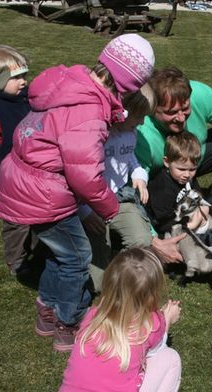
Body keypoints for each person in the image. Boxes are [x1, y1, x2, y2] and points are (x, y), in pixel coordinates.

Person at [0, 34, 155, 352]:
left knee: (62, 253)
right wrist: (106, 209)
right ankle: (69, 322)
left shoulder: (72, 81)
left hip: (24, 180)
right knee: (78, 258)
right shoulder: (90, 113)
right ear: (129, 84)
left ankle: (47, 308)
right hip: (44, 192)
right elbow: (86, 176)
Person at [135, 66, 212, 226]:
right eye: (172, 112)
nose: (181, 118)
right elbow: (135, 189)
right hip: (159, 175)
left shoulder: (201, 94)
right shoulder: (142, 134)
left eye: (185, 108)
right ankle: (168, 219)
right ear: (153, 108)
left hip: (194, 159)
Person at [60, 248, 182, 392]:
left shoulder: (94, 314)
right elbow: (157, 350)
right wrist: (166, 320)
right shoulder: (152, 323)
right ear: (152, 293)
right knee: (170, 357)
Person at [80, 84, 163, 293]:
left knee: (142, 240)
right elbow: (79, 175)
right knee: (97, 272)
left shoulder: (130, 132)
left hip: (119, 197)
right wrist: (85, 211)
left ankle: (123, 279)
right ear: (122, 112)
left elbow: (129, 156)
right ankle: (99, 283)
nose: (143, 122)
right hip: (93, 202)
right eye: (139, 117)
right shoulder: (100, 134)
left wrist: (138, 174)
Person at [0, 44, 36, 277]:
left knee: (36, 214)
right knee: (16, 223)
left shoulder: (28, 100)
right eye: (16, 77)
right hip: (9, 178)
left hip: (32, 172)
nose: (23, 81)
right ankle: (16, 259)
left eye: (25, 75)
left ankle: (35, 250)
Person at [146, 131, 212, 242]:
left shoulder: (186, 178)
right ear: (167, 162)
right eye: (181, 169)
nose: (187, 175)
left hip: (184, 217)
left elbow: (197, 194)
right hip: (165, 228)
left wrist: (203, 207)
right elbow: (161, 223)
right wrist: (190, 225)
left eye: (192, 169)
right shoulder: (163, 188)